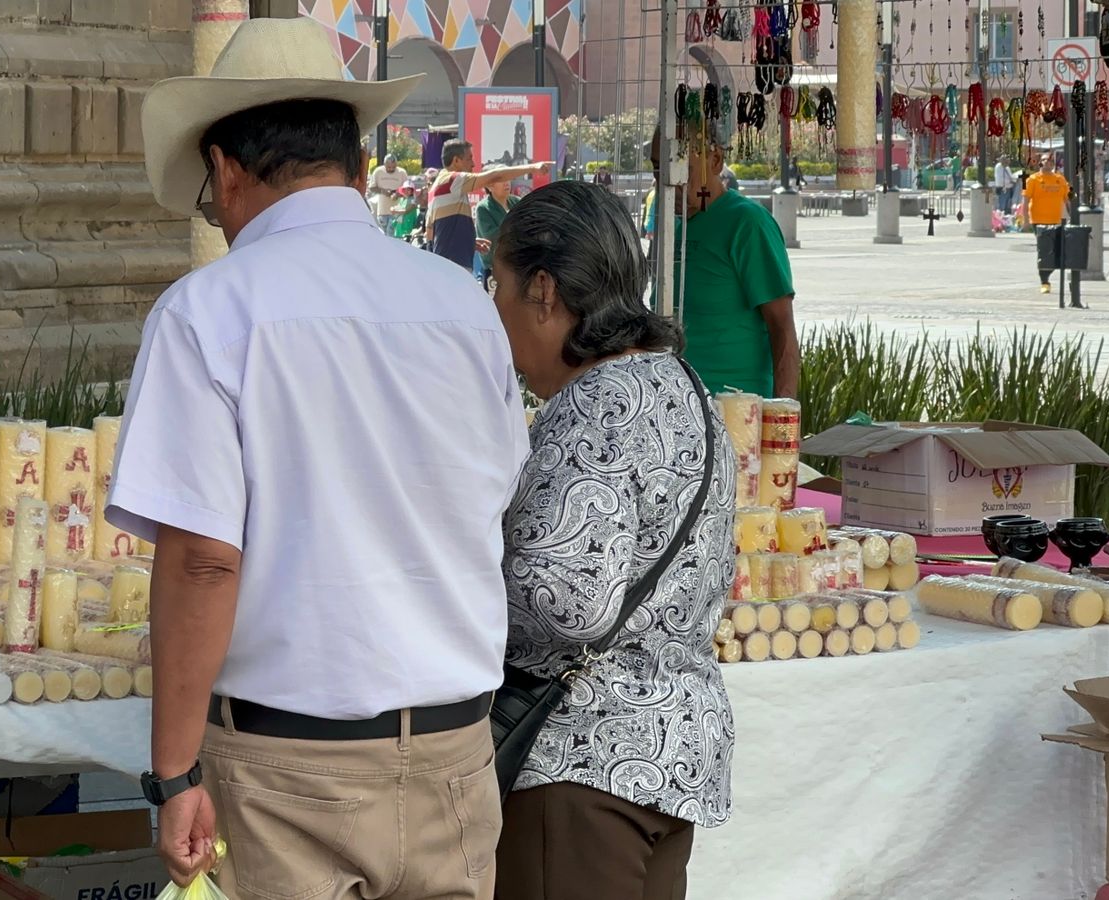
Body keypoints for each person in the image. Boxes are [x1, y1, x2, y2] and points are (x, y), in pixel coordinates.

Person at [116, 18, 528, 895]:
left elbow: (201, 561)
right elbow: (496, 500)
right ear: (360, 168)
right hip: (456, 755)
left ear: (226, 171)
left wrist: (175, 775)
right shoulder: (463, 306)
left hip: (287, 772)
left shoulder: (207, 313)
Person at [488, 180, 735, 900]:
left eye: (497, 286)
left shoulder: (594, 405)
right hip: (672, 753)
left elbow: (571, 602)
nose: (494, 312)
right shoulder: (682, 386)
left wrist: (455, 581)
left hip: (582, 761)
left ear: (543, 291)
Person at [661, 124, 800, 398]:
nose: (671, 183)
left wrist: (783, 414)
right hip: (676, 405)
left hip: (736, 408)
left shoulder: (747, 223)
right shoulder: (673, 228)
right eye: (659, 169)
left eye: (684, 170)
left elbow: (782, 326)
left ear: (715, 161)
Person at [428, 139, 551, 272]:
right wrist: (533, 168)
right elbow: (495, 176)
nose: (473, 164)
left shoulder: (436, 187)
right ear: (456, 160)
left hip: (447, 263)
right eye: (469, 158)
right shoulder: (452, 180)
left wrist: (468, 241)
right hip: (453, 265)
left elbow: (431, 232)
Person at [1025, 155, 1073, 294]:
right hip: (1039, 221)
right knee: (1044, 251)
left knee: (1058, 251)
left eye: (1051, 161)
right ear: (1040, 163)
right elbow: (1026, 200)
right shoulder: (1032, 179)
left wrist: (1073, 214)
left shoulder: (1060, 179)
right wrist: (1025, 220)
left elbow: (1068, 199)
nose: (1048, 162)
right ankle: (1044, 281)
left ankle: (1049, 272)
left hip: (1057, 220)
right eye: (1045, 160)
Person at [474, 178, 519, 289]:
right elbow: (492, 237)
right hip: (495, 269)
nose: (506, 183)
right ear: (489, 186)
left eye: (508, 178)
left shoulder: (517, 202)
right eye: (501, 180)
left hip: (518, 268)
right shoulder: (483, 208)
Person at [368, 153, 409, 232]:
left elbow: (408, 190)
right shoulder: (378, 171)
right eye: (389, 167)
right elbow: (371, 187)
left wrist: (397, 194)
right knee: (383, 234)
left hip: (396, 211)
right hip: (382, 210)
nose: (391, 169)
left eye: (393, 167)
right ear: (384, 165)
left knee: (392, 234)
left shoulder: (402, 173)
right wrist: (383, 191)